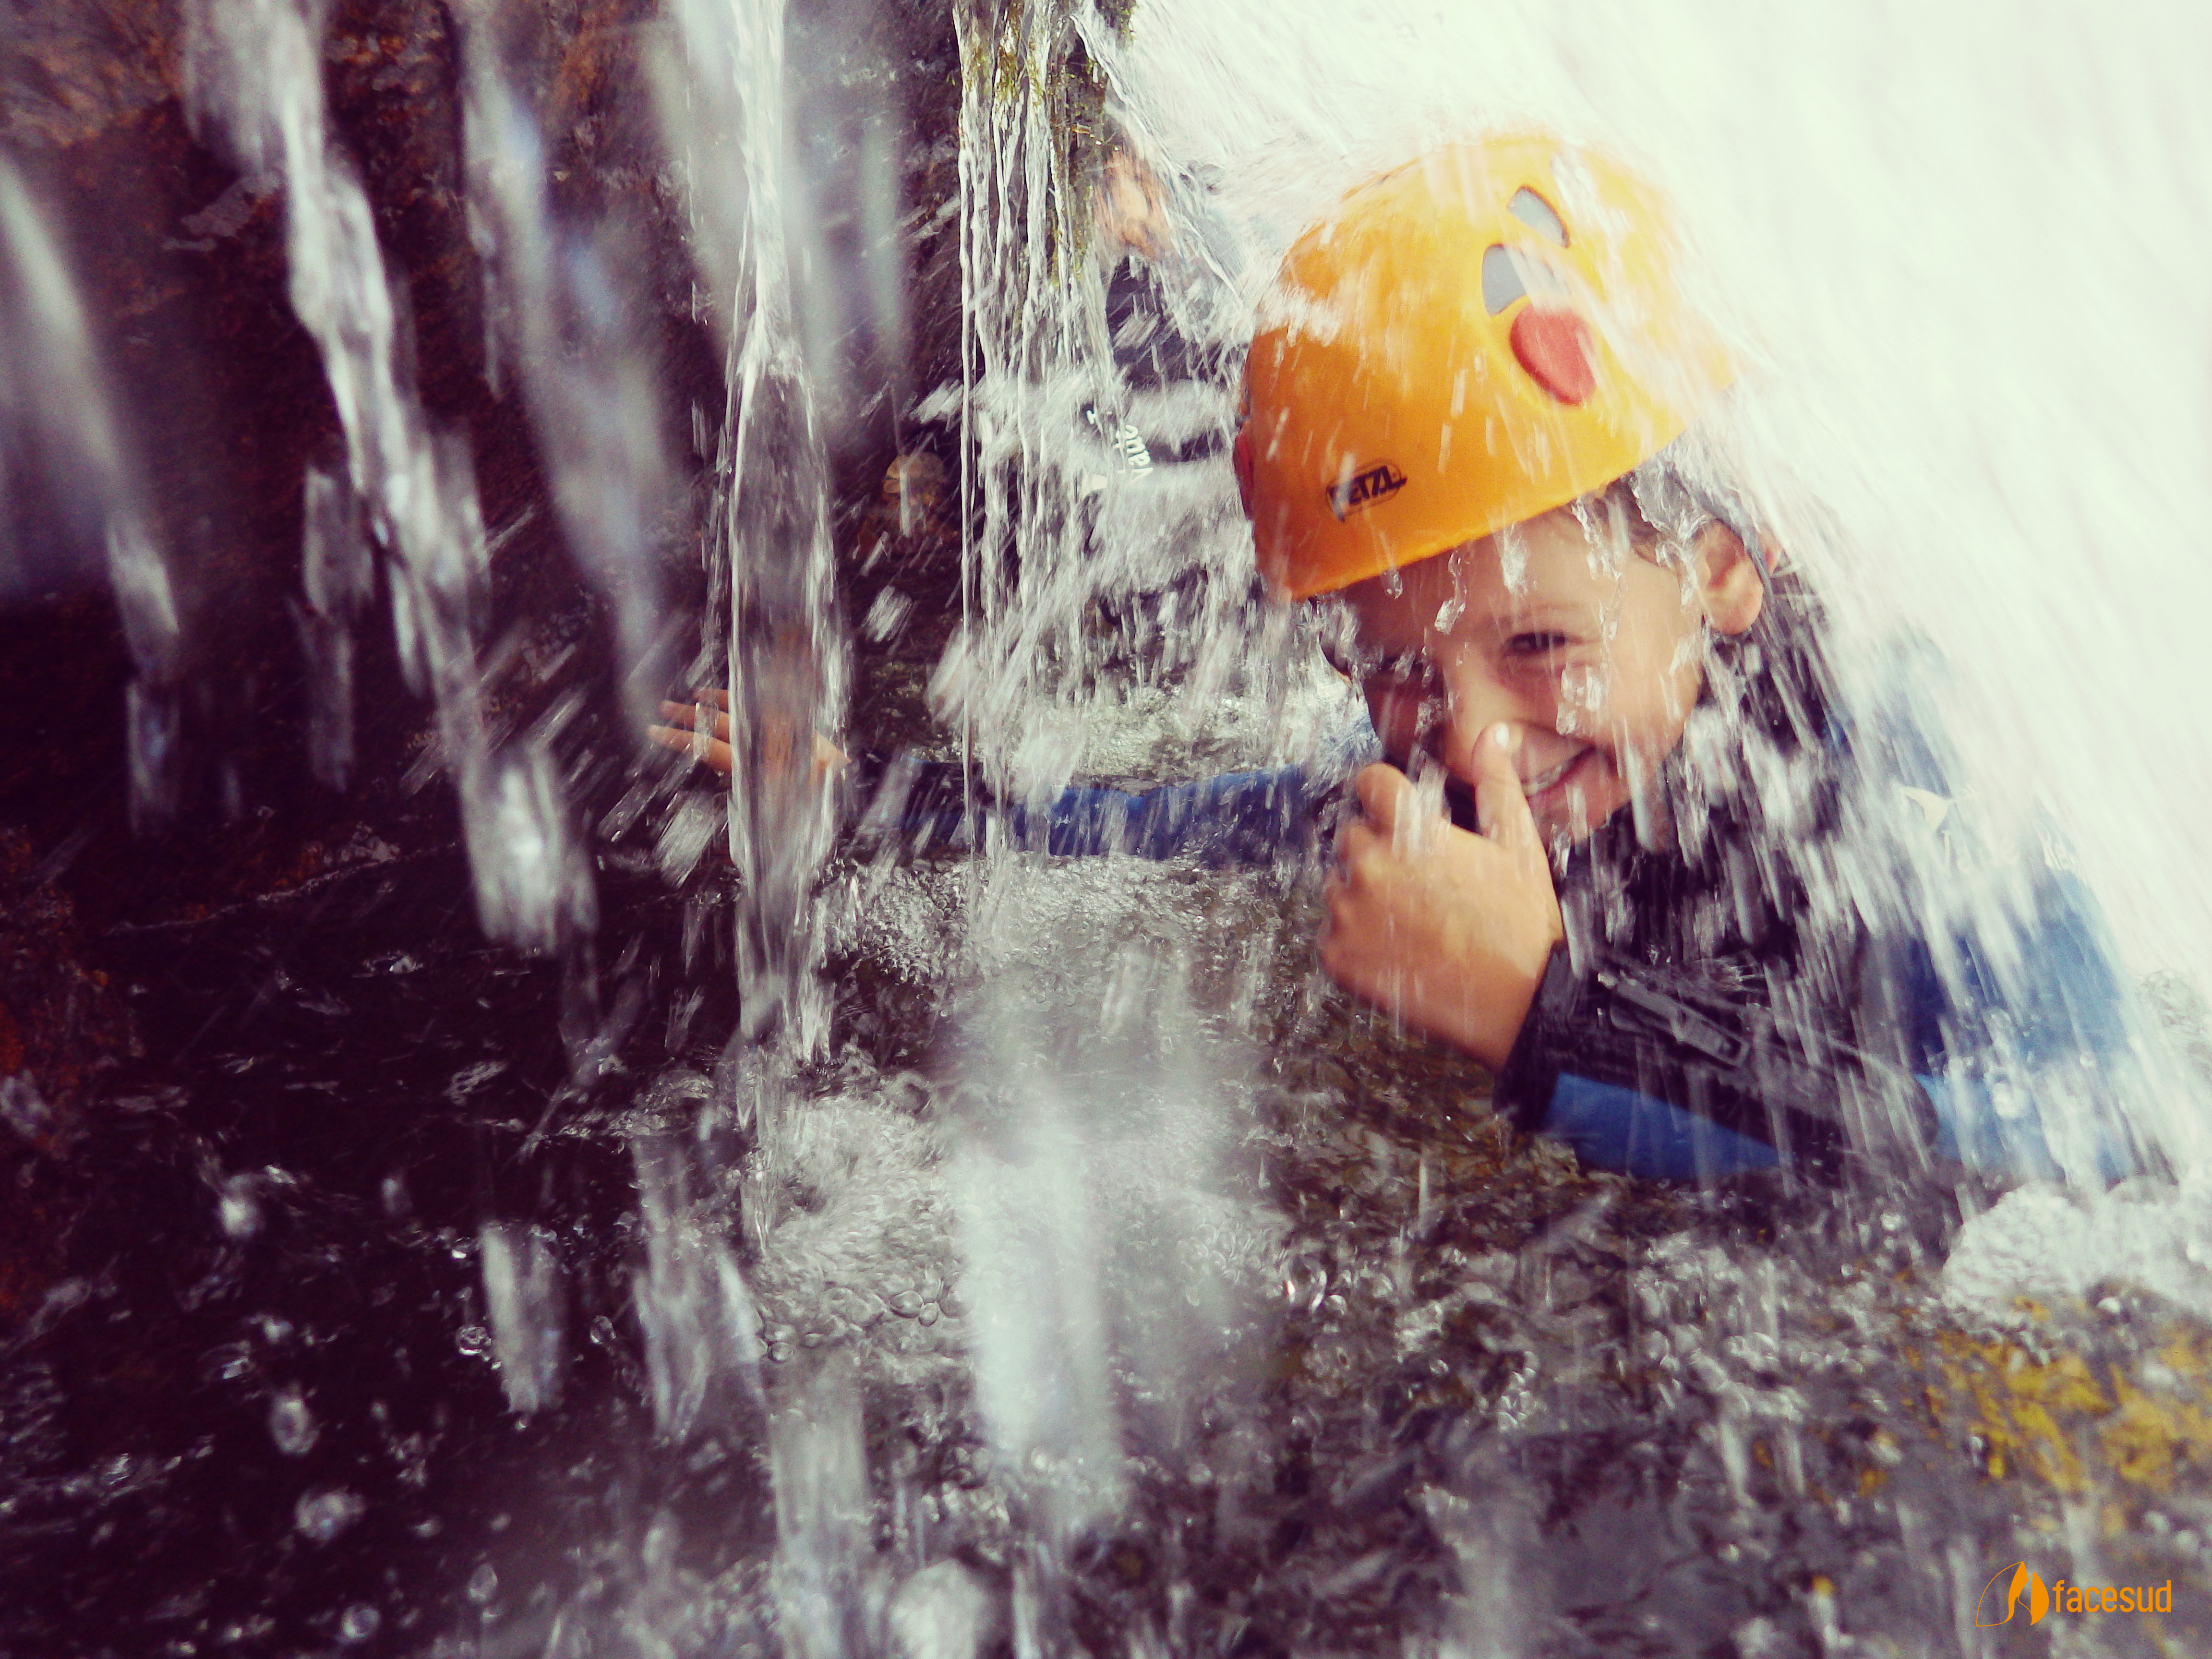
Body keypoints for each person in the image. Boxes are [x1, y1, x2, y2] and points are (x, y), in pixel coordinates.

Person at [655, 132, 2154, 1188]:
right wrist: (873, 795)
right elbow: (1166, 824)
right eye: (1402, 672)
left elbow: (2085, 1159)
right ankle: (1166, 248)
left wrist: (1544, 1020)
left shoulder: (1908, 801)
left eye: (1545, 644)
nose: (1476, 746)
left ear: (1718, 569)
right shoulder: (1442, 753)